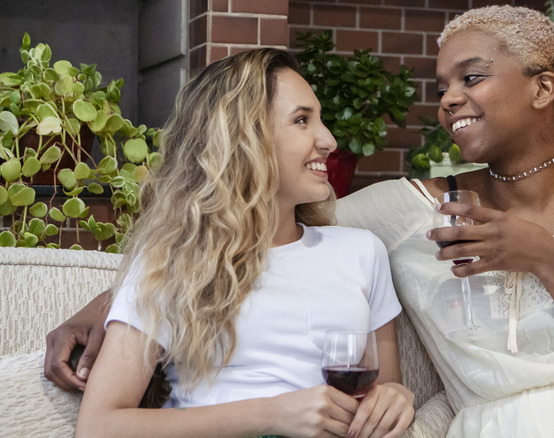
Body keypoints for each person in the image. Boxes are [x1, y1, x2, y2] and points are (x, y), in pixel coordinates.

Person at [47, 6, 554, 437]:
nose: (447, 100)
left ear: (543, 86)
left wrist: (545, 257)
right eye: (441, 85)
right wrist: (101, 308)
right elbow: (240, 230)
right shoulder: (404, 211)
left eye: (470, 78)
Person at [72, 48, 413, 438]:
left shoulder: (361, 252)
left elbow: (384, 388)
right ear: (244, 137)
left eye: (321, 120)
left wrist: (397, 396)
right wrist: (272, 414)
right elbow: (99, 426)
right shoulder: (169, 261)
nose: (329, 140)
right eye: (302, 120)